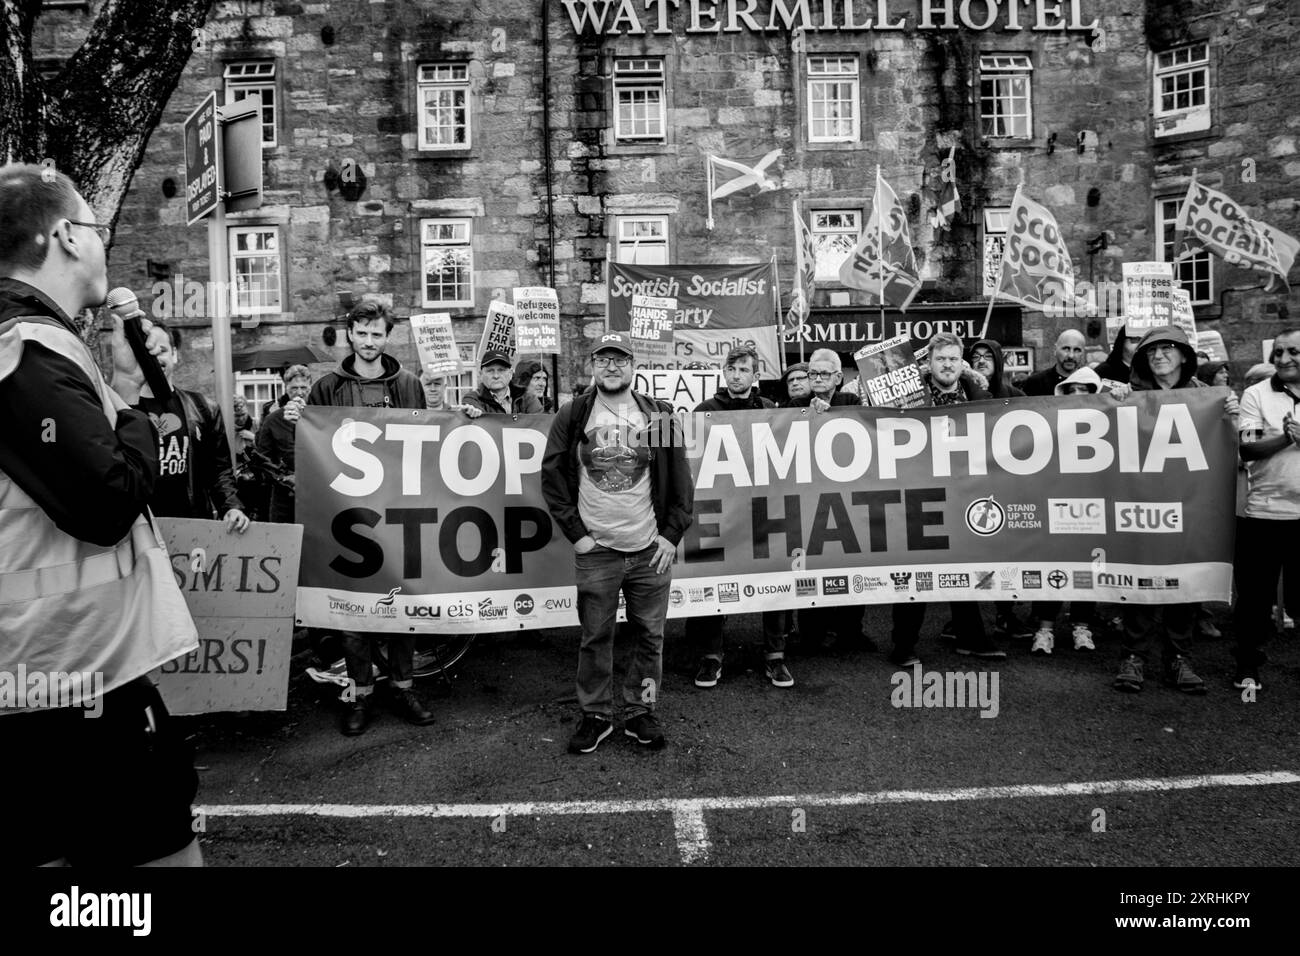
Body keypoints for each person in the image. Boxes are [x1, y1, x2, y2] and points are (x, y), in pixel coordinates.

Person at [0, 162, 202, 866]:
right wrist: (143, 414)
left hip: (53, 675)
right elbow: (108, 500)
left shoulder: (46, 345)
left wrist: (120, 390)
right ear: (62, 235)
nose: (103, 242)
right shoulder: (24, 348)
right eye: (96, 227)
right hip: (64, 681)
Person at [541, 332, 693, 754]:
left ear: (633, 365)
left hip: (648, 551)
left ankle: (641, 710)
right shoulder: (574, 414)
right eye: (603, 359)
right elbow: (552, 478)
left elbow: (681, 480)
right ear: (592, 364)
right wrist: (579, 536)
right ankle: (595, 715)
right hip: (598, 552)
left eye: (620, 359)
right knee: (595, 637)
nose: (612, 366)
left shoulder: (659, 414)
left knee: (650, 636)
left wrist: (670, 534)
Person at [308, 300, 434, 734]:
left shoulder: (408, 383)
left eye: (376, 334)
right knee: (355, 615)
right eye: (361, 333)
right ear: (350, 334)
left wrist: (465, 417)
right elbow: (308, 450)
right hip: (348, 515)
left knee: (401, 606)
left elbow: (430, 439)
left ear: (387, 336)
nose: (368, 341)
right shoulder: (325, 387)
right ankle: (361, 695)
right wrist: (292, 421)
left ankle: (403, 687)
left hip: (399, 511)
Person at [1113, 326, 1239, 694]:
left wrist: (1232, 417)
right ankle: (1133, 656)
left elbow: (1234, 447)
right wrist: (1112, 403)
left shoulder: (1208, 397)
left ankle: (1178, 657)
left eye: (1168, 348)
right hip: (1141, 504)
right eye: (1151, 350)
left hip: (1190, 505)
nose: (1159, 355)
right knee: (1138, 578)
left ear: (1185, 356)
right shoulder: (1131, 395)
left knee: (1185, 581)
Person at [889, 333, 1004, 666]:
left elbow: (1013, 405)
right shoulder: (912, 396)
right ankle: (903, 645)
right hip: (919, 494)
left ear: (962, 362)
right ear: (930, 362)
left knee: (964, 568)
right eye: (941, 359)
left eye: (954, 359)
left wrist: (973, 376)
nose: (948, 365)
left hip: (964, 493)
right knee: (917, 572)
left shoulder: (976, 392)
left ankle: (972, 638)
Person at [686, 346, 793, 689]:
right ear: (724, 373)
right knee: (714, 580)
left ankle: (775, 657)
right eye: (731, 369)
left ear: (755, 375)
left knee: (773, 578)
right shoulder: (703, 412)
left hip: (763, 511)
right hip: (721, 512)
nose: (736, 375)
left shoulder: (771, 411)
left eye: (743, 370)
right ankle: (711, 657)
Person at [130, 319, 249, 532]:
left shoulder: (204, 408)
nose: (155, 358)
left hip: (191, 527)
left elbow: (219, 469)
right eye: (147, 351)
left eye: (162, 350)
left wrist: (231, 507)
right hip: (139, 530)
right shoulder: (122, 409)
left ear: (174, 354)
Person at [1232, 329, 1300, 691]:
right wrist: (1287, 438)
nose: (1285, 359)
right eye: (1279, 352)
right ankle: (1247, 665)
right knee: (1255, 600)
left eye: (1293, 351)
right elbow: (1248, 449)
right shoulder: (1256, 394)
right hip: (1264, 514)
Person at [1028, 367, 1106, 655]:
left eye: (1085, 391)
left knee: (1089, 569)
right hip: (1058, 505)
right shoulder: (1051, 425)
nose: (1078, 396)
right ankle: (1045, 629)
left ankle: (1082, 626)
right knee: (1055, 566)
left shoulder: (1110, 425)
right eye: (1071, 390)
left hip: (1093, 507)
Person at [256, 364, 312, 523]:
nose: (299, 393)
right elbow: (262, 459)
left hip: (316, 492)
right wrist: (283, 478)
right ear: (286, 388)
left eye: (303, 387)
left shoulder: (320, 417)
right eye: (294, 388)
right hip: (283, 496)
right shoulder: (273, 419)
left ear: (310, 386)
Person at [461, 349, 544, 416]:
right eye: (490, 371)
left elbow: (538, 424)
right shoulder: (472, 399)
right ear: (480, 374)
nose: (496, 376)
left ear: (511, 374)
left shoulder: (528, 398)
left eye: (501, 370)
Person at [785, 348, 861, 409]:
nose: (818, 379)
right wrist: (809, 413)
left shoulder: (850, 401)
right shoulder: (797, 404)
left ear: (838, 378)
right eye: (813, 374)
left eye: (824, 374)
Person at [1020, 329, 1086, 396]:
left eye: (1077, 350)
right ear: (1055, 350)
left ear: (1083, 353)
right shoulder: (1036, 383)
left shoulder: (1089, 382)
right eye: (1066, 349)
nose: (1071, 356)